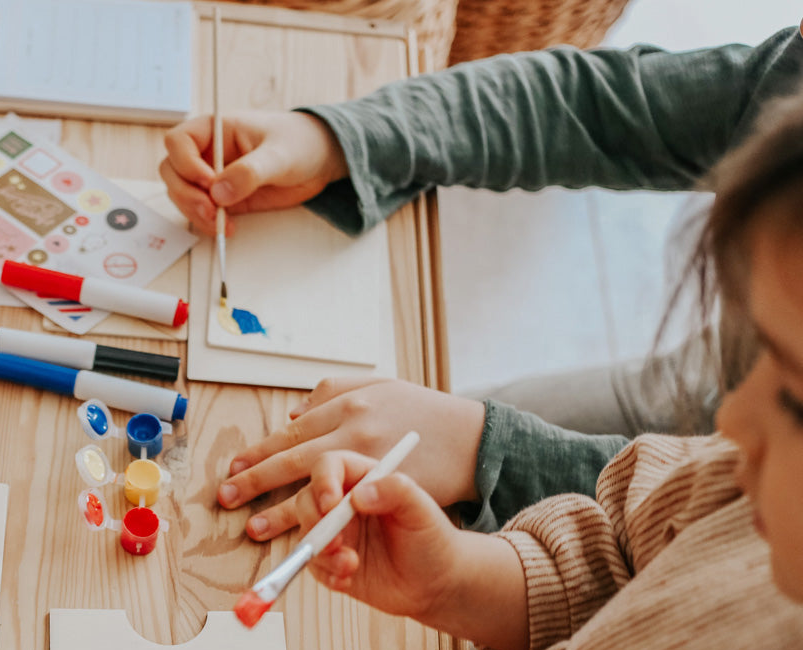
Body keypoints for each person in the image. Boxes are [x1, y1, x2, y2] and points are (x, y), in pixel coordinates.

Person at [287, 89, 803, 650]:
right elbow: (630, 552)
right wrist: (463, 581)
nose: (730, 417)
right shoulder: (746, 505)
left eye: (796, 399)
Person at [161, 24, 803, 536]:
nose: (738, 415)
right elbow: (595, 108)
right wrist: (342, 137)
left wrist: (485, 452)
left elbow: (717, 512)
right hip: (682, 396)